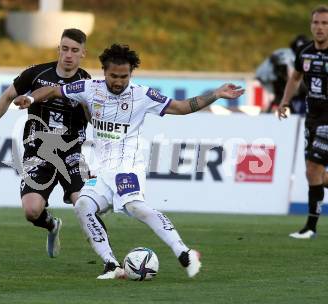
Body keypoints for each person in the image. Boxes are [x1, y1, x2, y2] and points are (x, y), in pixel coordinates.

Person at [14, 44, 244, 279]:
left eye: (124, 76)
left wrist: (216, 94)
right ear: (104, 72)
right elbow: (53, 91)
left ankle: (184, 252)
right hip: (102, 171)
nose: (118, 81)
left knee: (134, 207)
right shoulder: (89, 88)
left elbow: (182, 107)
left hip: (127, 168)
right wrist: (31, 98)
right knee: (84, 206)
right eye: (113, 76)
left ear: (130, 74)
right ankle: (112, 265)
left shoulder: (143, 95)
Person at [0, 28, 92, 258]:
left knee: (85, 205)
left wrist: (86, 104)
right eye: (64, 49)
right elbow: (7, 97)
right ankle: (52, 225)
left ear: (83, 53)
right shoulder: (36, 74)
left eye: (75, 50)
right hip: (38, 154)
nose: (68, 55)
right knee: (32, 211)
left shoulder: (87, 83)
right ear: (58, 49)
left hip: (71, 155)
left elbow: (93, 119)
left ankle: (111, 263)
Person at [278, 5, 328, 239]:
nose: (319, 28)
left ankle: (311, 227)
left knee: (314, 168)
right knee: (313, 172)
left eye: (325, 24)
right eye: (316, 23)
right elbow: (295, 77)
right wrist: (285, 101)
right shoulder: (305, 53)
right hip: (313, 119)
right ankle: (310, 227)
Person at [256, 34, 310, 114]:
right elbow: (283, 68)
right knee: (286, 95)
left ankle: (269, 112)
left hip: (264, 75)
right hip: (270, 76)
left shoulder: (285, 51)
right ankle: (271, 112)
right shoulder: (291, 55)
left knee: (283, 95)